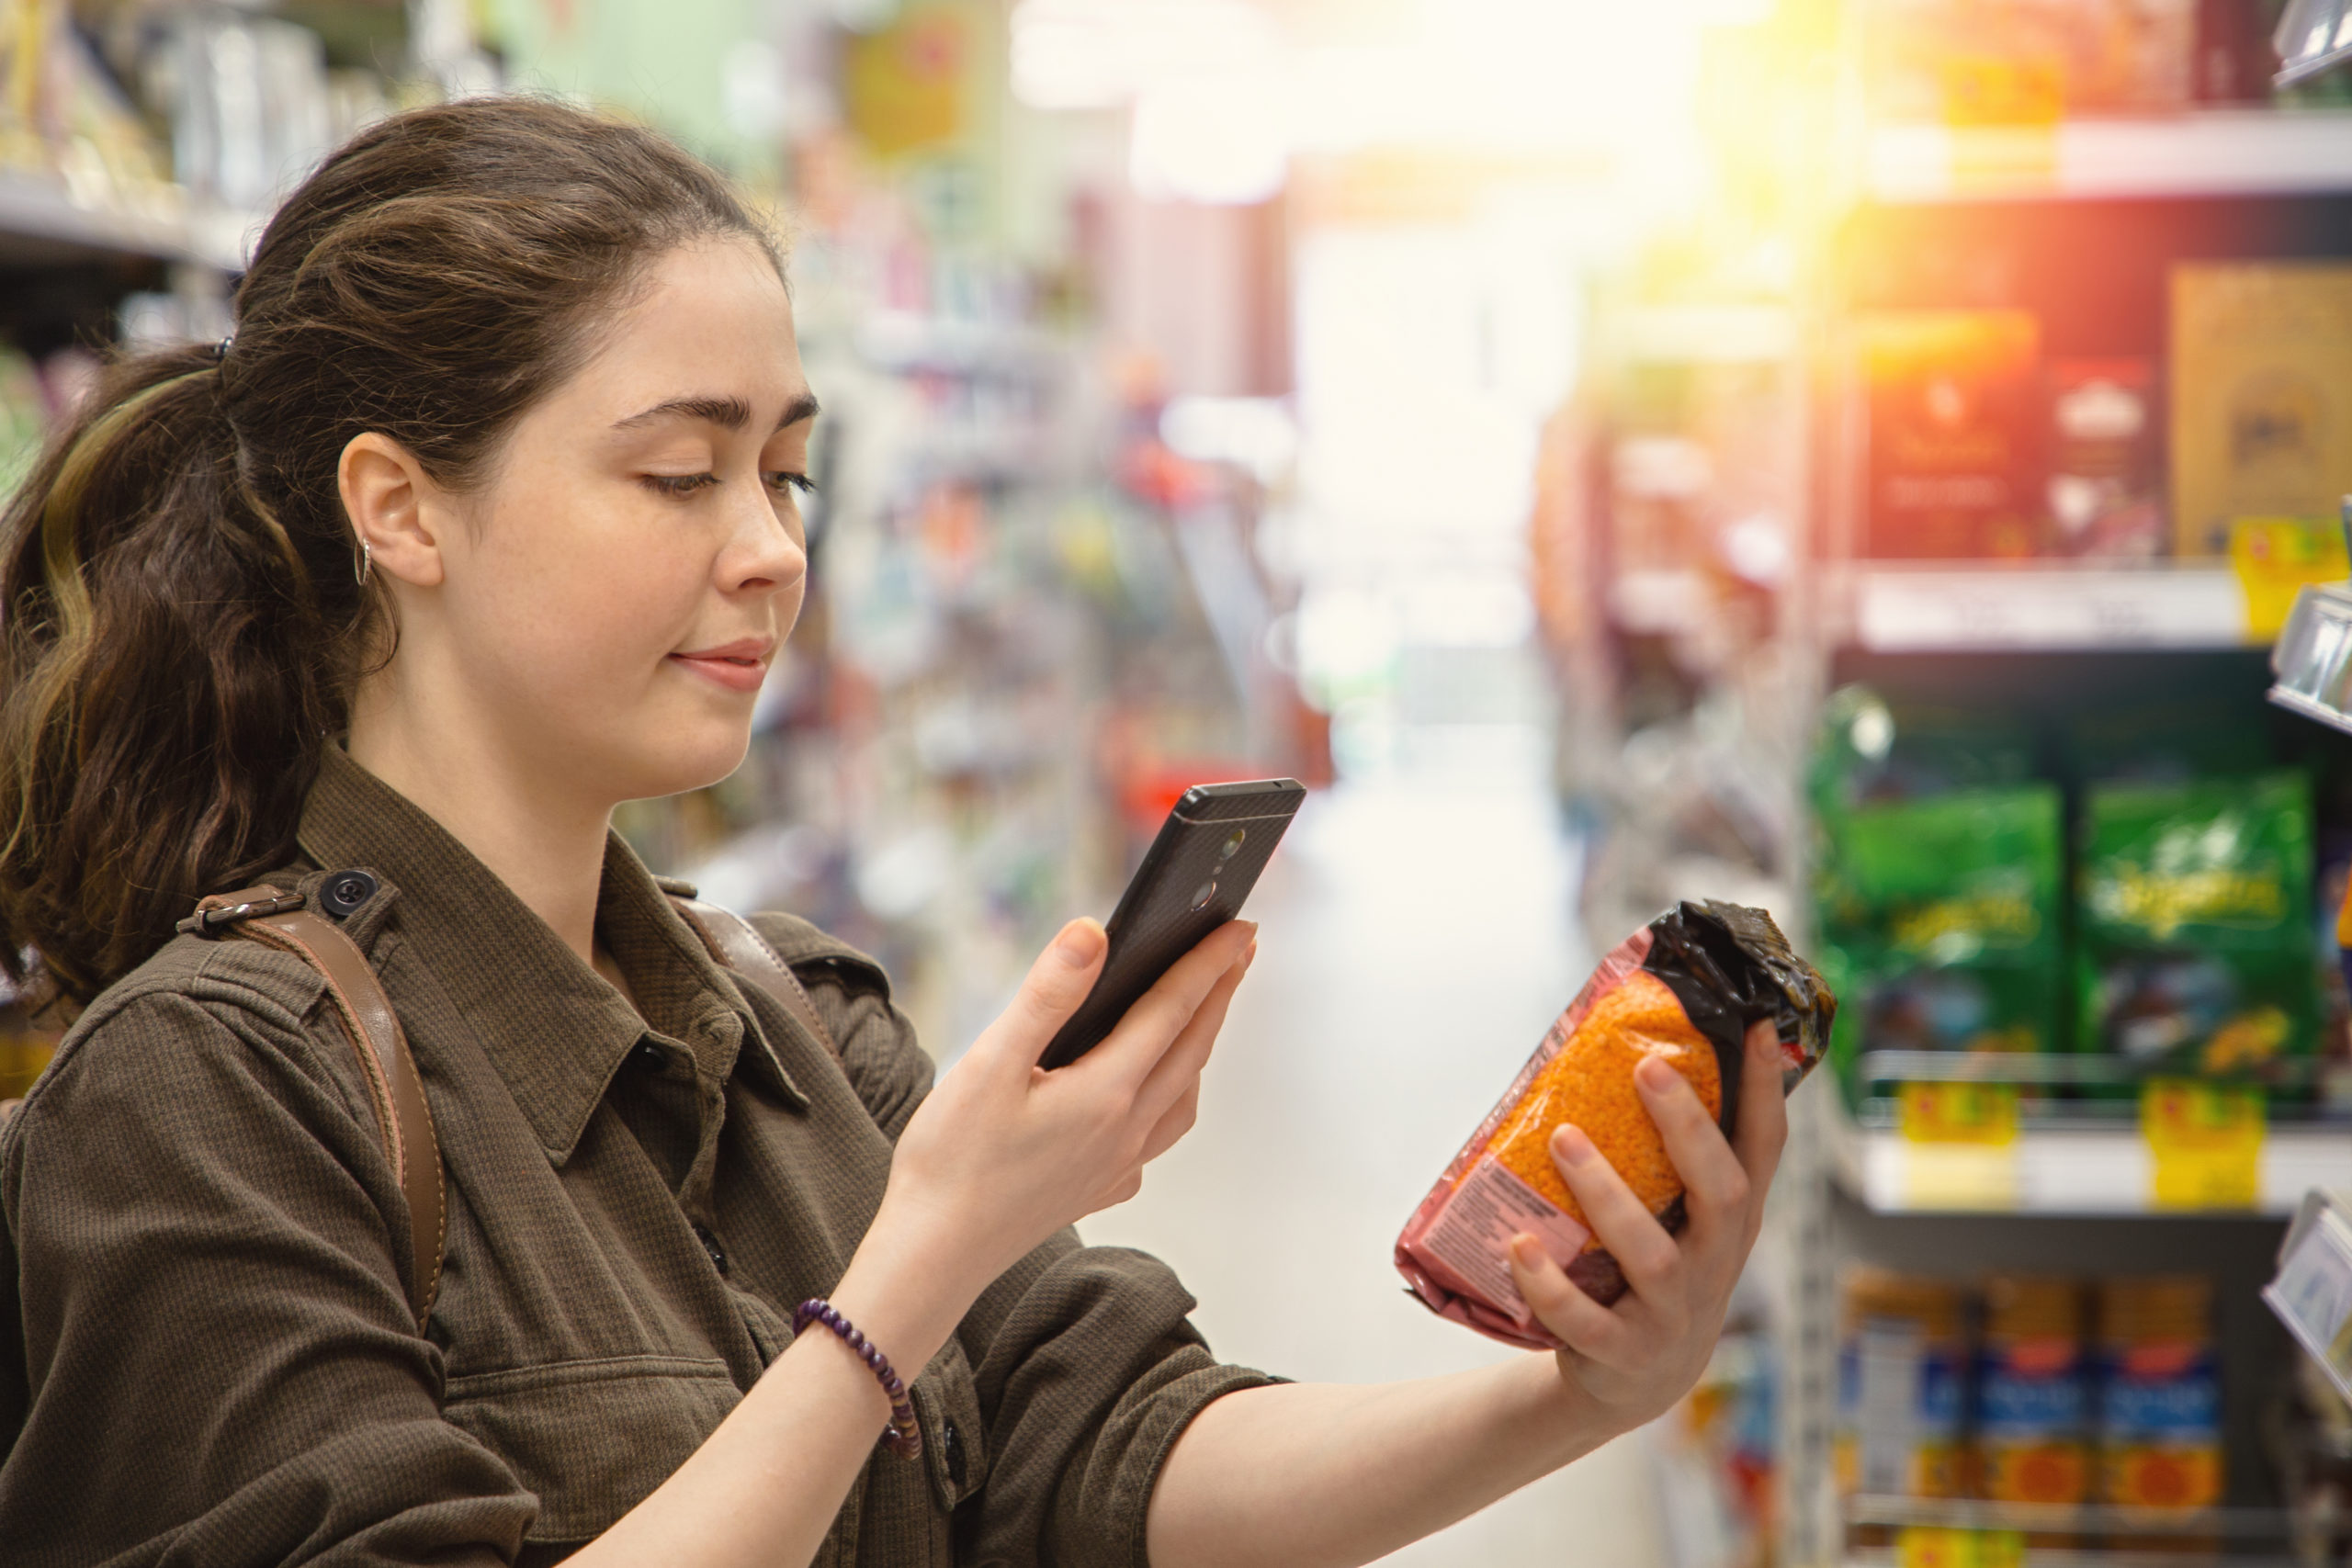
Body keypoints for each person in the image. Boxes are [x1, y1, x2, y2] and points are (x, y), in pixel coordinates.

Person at [0, 98, 1785, 1568]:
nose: (774, 550)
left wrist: (1572, 1395)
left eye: (787, 472)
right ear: (401, 509)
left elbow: (1107, 1457)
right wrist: (912, 1269)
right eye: (679, 473)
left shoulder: (796, 1022)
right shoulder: (208, 1091)